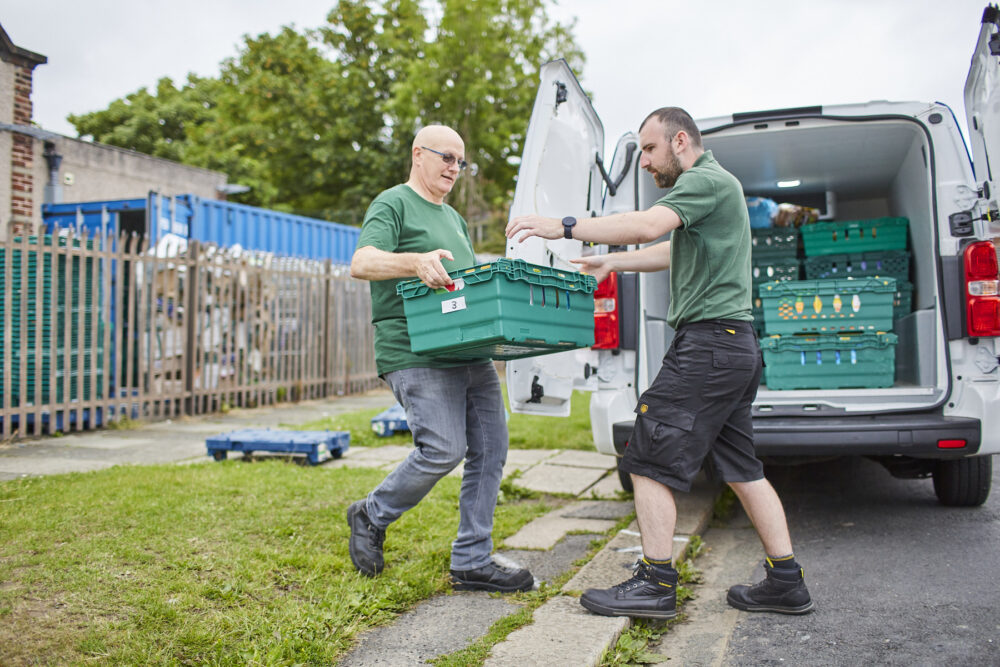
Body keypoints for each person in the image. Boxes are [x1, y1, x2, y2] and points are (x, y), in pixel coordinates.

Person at [505, 107, 813, 618]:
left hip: (710, 346)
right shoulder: (715, 192)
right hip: (734, 346)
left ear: (681, 140)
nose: (645, 161)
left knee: (646, 455)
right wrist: (611, 261)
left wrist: (563, 226)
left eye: (650, 149)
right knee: (742, 468)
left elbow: (648, 224)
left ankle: (655, 582)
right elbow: (673, 249)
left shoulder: (705, 179)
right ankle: (786, 581)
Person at [347, 124, 533, 593]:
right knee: (444, 448)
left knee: (491, 448)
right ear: (418, 154)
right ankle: (371, 514)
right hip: (413, 348)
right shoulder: (392, 203)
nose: (454, 168)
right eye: (446, 158)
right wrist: (414, 261)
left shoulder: (454, 219)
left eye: (460, 161)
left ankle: (472, 560)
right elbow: (362, 262)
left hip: (466, 350)